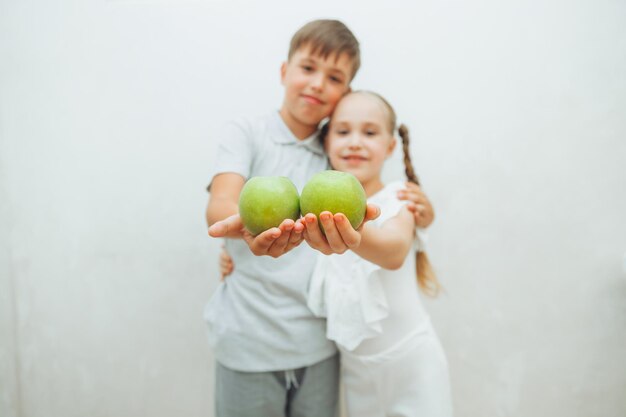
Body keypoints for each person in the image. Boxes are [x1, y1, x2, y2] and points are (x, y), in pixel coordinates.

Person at [205, 20, 435, 417]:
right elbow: (221, 205)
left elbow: (388, 210)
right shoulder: (248, 132)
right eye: (307, 68)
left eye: (334, 77)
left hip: (321, 345)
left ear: (345, 92)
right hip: (249, 340)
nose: (316, 84)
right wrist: (245, 231)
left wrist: (425, 213)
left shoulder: (339, 153)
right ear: (284, 71)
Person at [302, 91, 453, 417]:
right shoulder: (315, 205)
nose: (355, 142)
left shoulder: (399, 197)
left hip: (411, 363)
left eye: (369, 133)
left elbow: (394, 251)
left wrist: (346, 229)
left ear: (390, 146)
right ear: (326, 142)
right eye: (343, 132)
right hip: (356, 370)